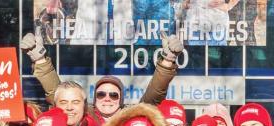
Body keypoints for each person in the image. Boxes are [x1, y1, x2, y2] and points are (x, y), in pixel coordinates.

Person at [20, 32, 184, 121]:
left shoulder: (131, 118)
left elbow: (154, 96)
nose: (107, 98)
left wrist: (168, 60)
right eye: (101, 94)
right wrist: (39, 59)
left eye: (113, 95)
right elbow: (57, 93)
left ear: (121, 100)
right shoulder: (84, 117)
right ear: (94, 98)